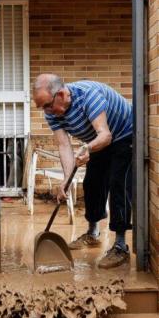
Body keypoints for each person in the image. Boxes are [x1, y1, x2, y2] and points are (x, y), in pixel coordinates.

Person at [32, 74, 133, 269]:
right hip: (99, 141)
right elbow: (64, 145)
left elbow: (105, 135)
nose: (46, 111)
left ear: (61, 94)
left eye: (47, 105)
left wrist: (87, 148)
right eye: (42, 107)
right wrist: (66, 182)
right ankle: (93, 233)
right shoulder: (52, 112)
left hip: (124, 134)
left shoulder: (89, 97)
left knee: (118, 183)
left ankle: (120, 245)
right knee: (92, 182)